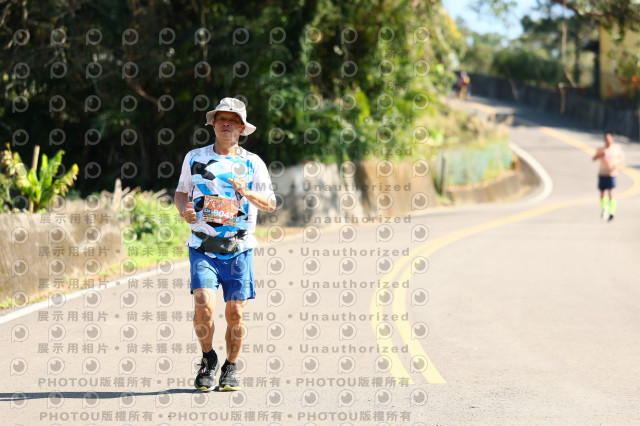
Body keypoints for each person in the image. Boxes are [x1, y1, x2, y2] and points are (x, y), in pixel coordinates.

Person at [174, 97, 276, 391]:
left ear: (242, 128)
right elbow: (181, 193)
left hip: (238, 249)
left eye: (233, 120)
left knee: (236, 314)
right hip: (202, 245)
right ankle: (208, 359)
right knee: (204, 306)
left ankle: (231, 366)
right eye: (222, 119)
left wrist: (247, 192)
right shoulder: (195, 157)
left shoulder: (253, 163)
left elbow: (270, 203)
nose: (227, 124)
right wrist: (184, 211)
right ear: (213, 124)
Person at [592, 131, 624, 221]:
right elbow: (594, 158)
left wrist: (618, 162)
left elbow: (621, 158)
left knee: (611, 193)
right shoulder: (601, 149)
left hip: (612, 174)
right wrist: (601, 154)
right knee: (602, 193)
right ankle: (604, 208)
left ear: (612, 139)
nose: (607, 141)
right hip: (603, 174)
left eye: (608, 139)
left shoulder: (616, 149)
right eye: (605, 139)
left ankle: (612, 211)